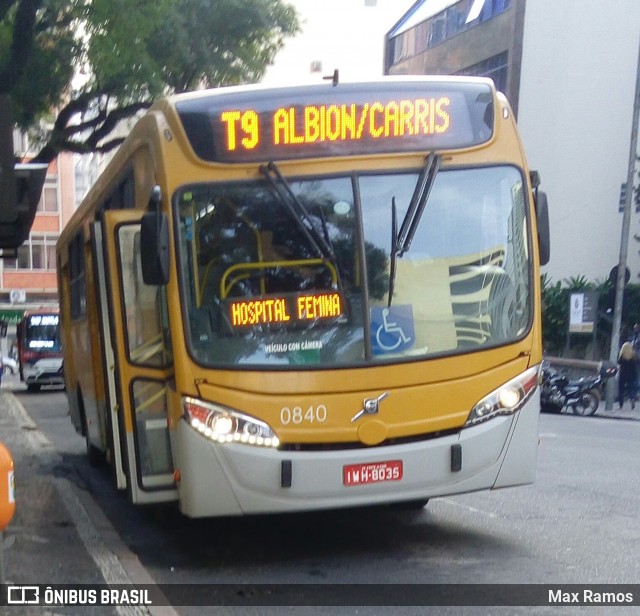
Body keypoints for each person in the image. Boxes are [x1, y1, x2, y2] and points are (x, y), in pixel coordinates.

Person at [617, 341, 637, 409]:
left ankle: (621, 404)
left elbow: (619, 365)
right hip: (631, 374)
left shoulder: (621, 357)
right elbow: (634, 366)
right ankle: (632, 399)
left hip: (623, 374)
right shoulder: (633, 356)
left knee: (621, 389)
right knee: (631, 388)